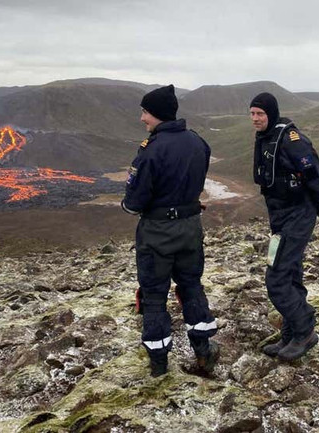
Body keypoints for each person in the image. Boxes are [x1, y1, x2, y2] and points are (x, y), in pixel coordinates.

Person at [122, 84, 219, 377]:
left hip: (157, 234)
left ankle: (159, 365)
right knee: (191, 286)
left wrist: (131, 204)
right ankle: (203, 351)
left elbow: (135, 201)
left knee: (154, 296)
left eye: (146, 112)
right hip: (190, 229)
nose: (142, 119)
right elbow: (196, 183)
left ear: (158, 114)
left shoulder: (151, 151)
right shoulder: (198, 143)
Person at [249, 92, 319, 361]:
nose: (255, 119)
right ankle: (290, 334)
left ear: (271, 114)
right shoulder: (265, 138)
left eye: (260, 114)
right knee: (291, 273)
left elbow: (313, 173)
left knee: (277, 278)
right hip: (281, 217)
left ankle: (305, 330)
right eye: (252, 114)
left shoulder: (290, 140)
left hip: (298, 214)